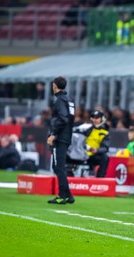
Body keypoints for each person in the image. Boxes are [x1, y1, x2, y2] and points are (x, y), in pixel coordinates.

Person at [47, 76, 75, 205]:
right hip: (67, 136)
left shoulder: (59, 100)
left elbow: (63, 119)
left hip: (60, 137)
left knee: (58, 167)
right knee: (59, 166)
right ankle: (68, 195)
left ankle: (62, 196)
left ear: (54, 85)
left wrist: (53, 134)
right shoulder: (69, 99)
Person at [80, 110, 110, 177]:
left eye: (97, 118)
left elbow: (105, 148)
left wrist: (97, 150)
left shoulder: (104, 133)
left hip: (92, 155)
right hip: (81, 153)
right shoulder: (86, 128)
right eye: (93, 118)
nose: (94, 120)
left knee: (105, 158)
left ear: (102, 119)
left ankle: (100, 178)